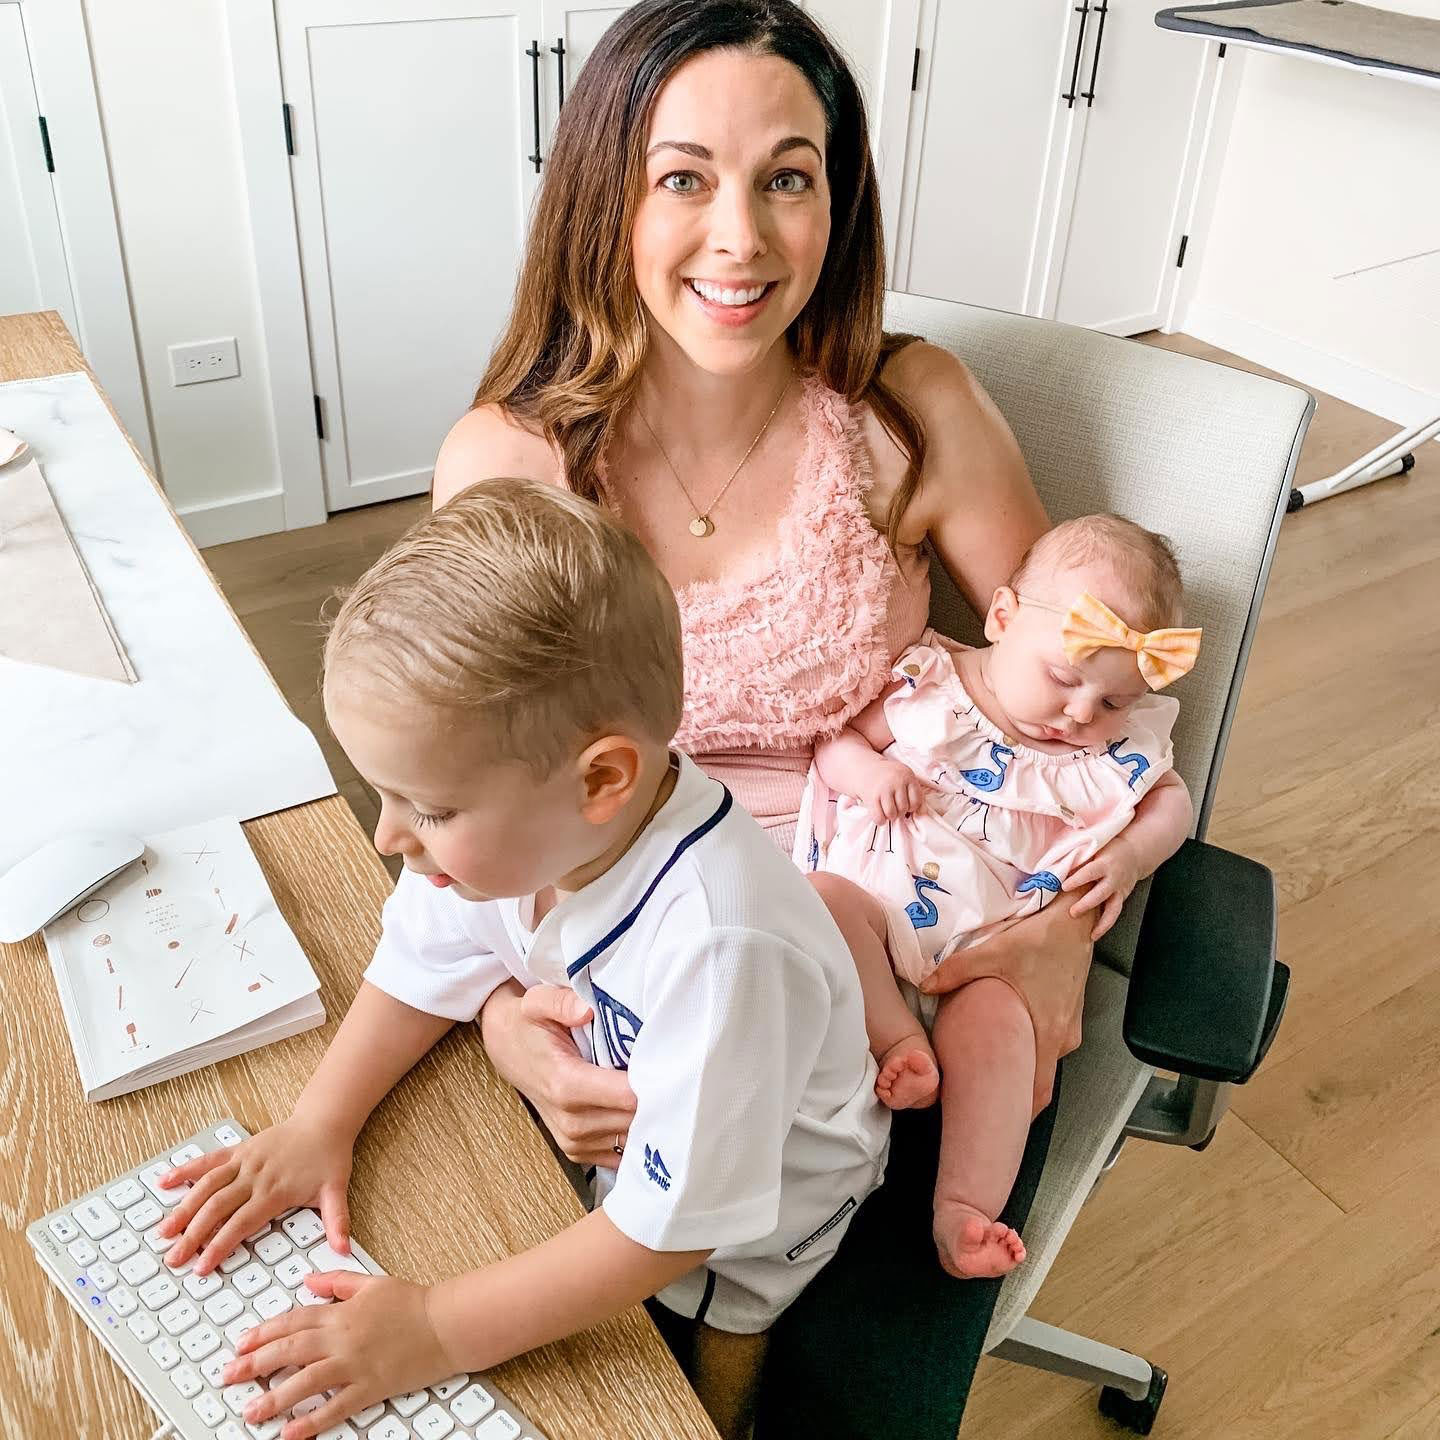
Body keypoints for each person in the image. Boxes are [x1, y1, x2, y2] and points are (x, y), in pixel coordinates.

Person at [430, 1, 1097, 1429]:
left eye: (786, 177)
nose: (740, 237)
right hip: (611, 952)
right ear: (604, 196)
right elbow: (438, 795)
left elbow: (1072, 709)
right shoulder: (515, 460)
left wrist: (1054, 932)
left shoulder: (911, 411)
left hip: (876, 951)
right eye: (684, 177)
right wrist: (497, 1020)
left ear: (836, 202)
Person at [153, 479, 889, 1440]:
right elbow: (421, 963)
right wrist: (317, 1123)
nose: (390, 838)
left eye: (430, 808)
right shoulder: (521, 838)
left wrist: (433, 1327)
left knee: (692, 1379)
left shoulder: (722, 945)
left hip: (755, 1218)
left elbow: (680, 1230)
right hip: (635, 1157)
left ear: (601, 779)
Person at [798, 515, 1199, 1279]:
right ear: (1003, 618)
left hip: (996, 955)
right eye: (1064, 678)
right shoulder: (930, 689)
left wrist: (1130, 856)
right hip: (877, 922)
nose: (1083, 714)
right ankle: (898, 1042)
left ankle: (965, 1209)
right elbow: (835, 743)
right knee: (820, 902)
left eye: (1113, 702)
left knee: (1001, 1036)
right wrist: (871, 774)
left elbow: (1170, 804)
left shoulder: (1114, 749)